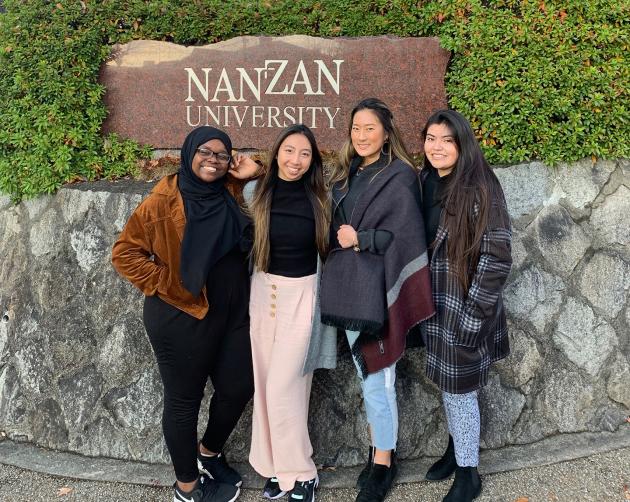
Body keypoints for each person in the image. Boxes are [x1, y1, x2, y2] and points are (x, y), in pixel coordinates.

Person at [112, 126, 254, 502]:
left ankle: (207, 453)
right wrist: (169, 283)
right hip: (181, 315)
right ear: (188, 153)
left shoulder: (228, 190)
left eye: (222, 155)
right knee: (183, 400)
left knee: (240, 386)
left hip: (234, 312)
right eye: (205, 152)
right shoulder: (162, 200)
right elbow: (124, 253)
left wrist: (252, 172)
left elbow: (271, 185)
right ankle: (187, 488)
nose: (213, 159)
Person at [319, 98, 435, 502]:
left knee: (378, 379)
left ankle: (384, 462)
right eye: (355, 128)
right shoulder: (346, 173)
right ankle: (378, 451)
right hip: (351, 291)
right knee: (367, 376)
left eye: (370, 128)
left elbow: (405, 240)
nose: (362, 135)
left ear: (386, 131)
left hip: (380, 293)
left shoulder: (401, 176)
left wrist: (361, 239)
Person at [419, 109, 512, 502]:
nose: (437, 147)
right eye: (431, 138)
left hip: (465, 307)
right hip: (436, 305)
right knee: (448, 385)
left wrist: (473, 316)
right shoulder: (427, 181)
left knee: (461, 393)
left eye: (447, 140)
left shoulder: (479, 187)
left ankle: (469, 473)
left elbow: (497, 257)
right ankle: (458, 453)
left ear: (462, 144)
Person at [234, 124, 331, 502]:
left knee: (284, 387)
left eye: (305, 153)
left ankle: (302, 472)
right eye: (289, 151)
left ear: (313, 160)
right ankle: (275, 466)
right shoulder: (255, 192)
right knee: (264, 384)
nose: (296, 160)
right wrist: (253, 171)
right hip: (262, 293)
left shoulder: (323, 197)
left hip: (302, 296)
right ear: (276, 154)